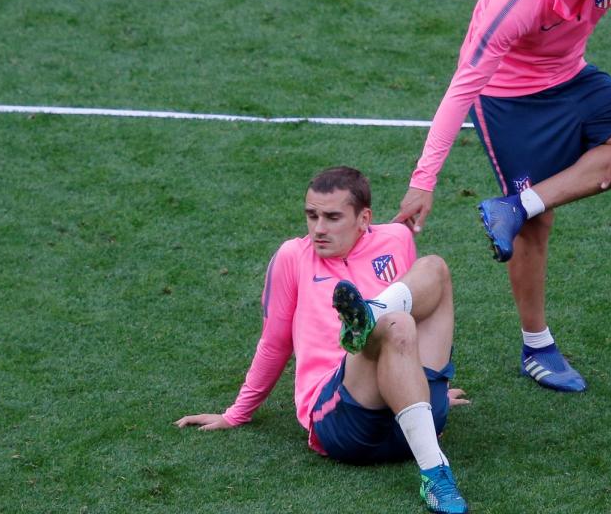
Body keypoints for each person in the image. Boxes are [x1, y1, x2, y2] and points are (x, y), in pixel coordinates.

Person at [394, 0, 611, 393]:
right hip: (507, 98)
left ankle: (517, 205)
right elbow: (462, 88)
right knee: (537, 226)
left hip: (572, 77)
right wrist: (423, 182)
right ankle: (536, 346)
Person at [176, 166, 469, 514]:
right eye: (311, 215)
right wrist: (237, 413)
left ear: (364, 218)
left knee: (433, 269)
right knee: (397, 324)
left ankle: (369, 315)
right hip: (344, 421)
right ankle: (436, 476)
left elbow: (422, 312)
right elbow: (274, 342)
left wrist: (428, 388)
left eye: (332, 217)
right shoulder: (292, 257)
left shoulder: (396, 239)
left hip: (409, 420)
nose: (318, 228)